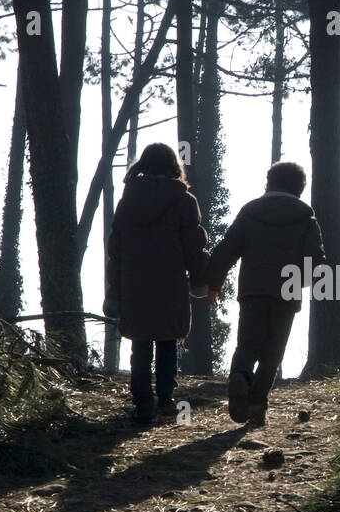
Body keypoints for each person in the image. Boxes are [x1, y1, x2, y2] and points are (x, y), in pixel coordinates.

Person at [204, 160, 327, 427]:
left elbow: (227, 249)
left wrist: (213, 282)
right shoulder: (306, 217)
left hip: (253, 290)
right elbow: (316, 260)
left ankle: (240, 376)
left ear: (268, 183)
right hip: (288, 292)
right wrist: (302, 280)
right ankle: (257, 404)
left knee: (247, 343)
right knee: (273, 350)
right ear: (300, 188)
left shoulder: (250, 211)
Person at [104, 143, 209, 426]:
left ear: (144, 165)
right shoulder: (184, 200)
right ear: (173, 166)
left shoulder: (128, 200)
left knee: (141, 342)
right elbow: (193, 245)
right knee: (167, 339)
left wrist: (115, 284)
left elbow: (116, 246)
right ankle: (165, 398)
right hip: (170, 281)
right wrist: (201, 276)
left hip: (134, 281)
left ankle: (141, 403)